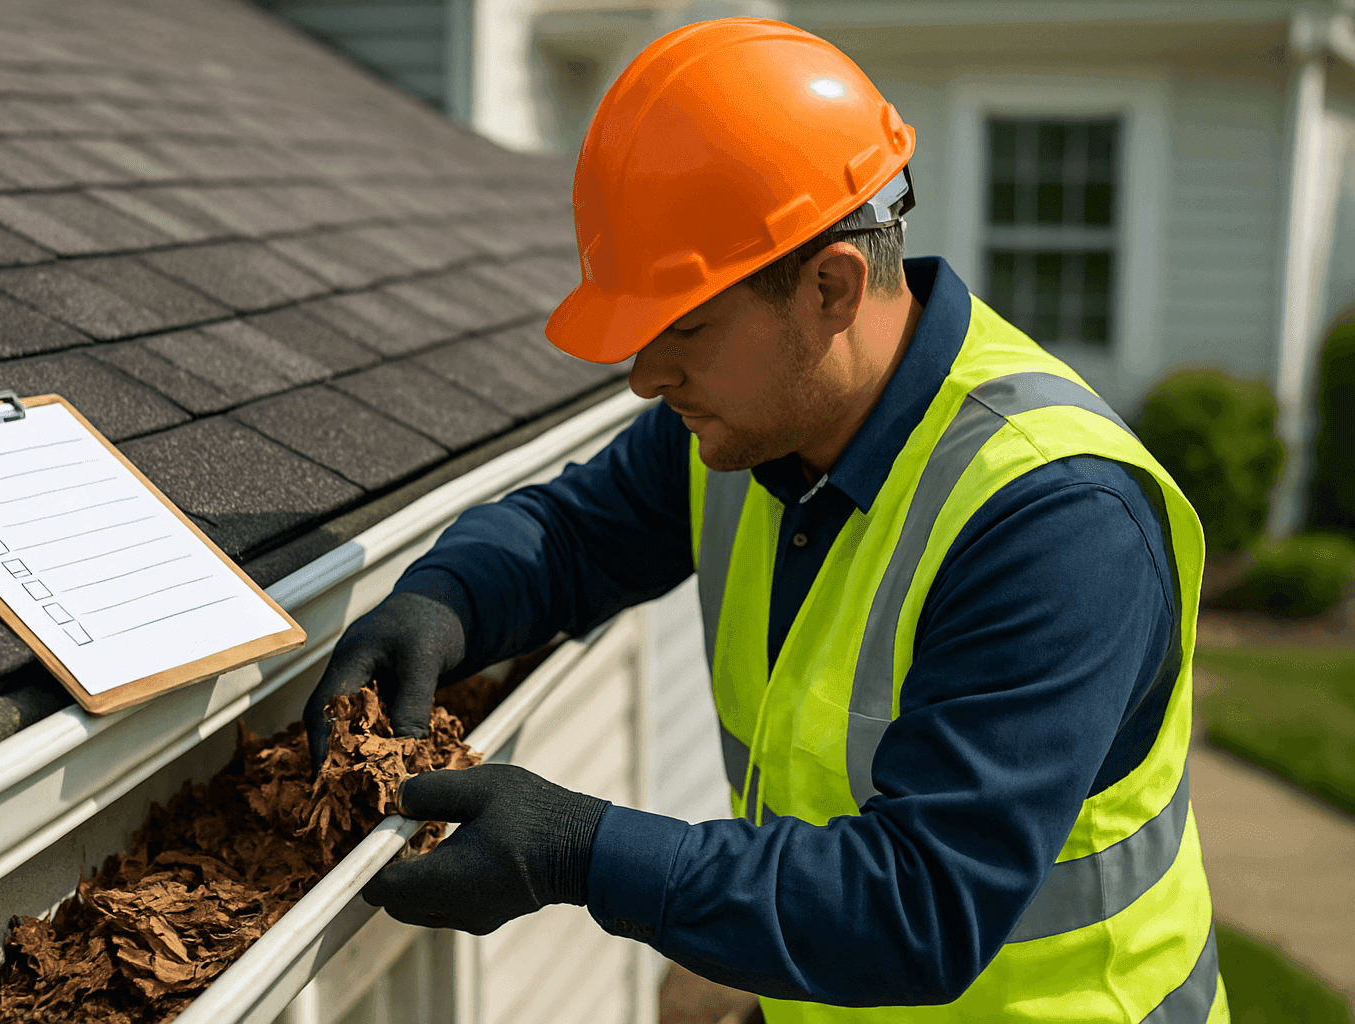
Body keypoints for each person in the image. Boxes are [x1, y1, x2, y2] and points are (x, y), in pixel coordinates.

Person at [302, 19, 1228, 1023]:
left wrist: (583, 852)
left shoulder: (1056, 520)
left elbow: (920, 905)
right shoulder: (754, 424)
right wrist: (444, 603)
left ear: (830, 286)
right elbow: (573, 535)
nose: (645, 377)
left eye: (683, 326)